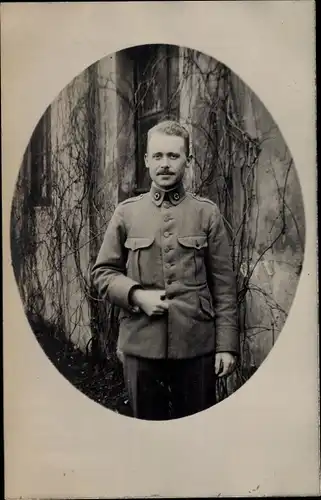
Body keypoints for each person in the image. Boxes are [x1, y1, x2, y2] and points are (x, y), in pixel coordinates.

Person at [91, 120, 239, 420]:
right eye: (157, 156)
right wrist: (136, 296)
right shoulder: (126, 213)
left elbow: (224, 285)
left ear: (187, 159)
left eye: (173, 156)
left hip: (196, 346)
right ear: (146, 160)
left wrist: (227, 347)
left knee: (197, 430)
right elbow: (102, 273)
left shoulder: (206, 213)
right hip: (140, 345)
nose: (165, 164)